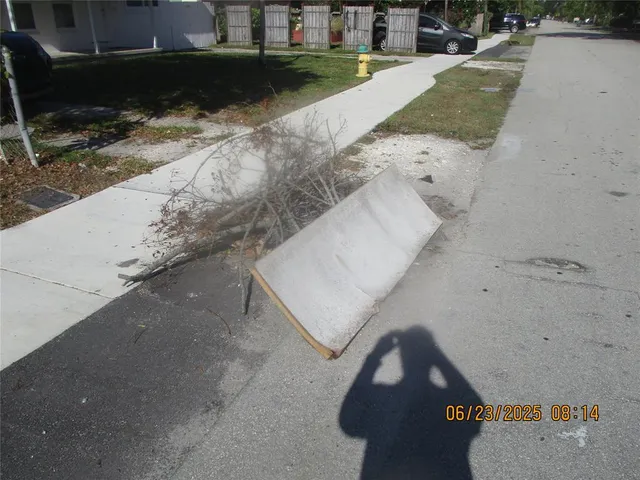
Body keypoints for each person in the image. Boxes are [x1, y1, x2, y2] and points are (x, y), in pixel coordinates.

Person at [340, 327, 483, 480]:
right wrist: (437, 355)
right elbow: (474, 406)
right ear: (429, 359)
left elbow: (348, 421)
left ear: (402, 357)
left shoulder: (383, 398)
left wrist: (376, 356)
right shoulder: (445, 402)